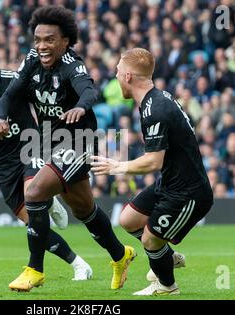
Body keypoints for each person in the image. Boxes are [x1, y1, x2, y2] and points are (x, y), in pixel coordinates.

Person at [0, 6, 135, 292]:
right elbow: (9, 95)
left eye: (49, 40)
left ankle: (35, 269)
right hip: (49, 140)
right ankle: (121, 256)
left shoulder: (72, 65)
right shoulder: (31, 60)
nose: (42, 46)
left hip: (78, 141)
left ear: (65, 41)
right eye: (38, 40)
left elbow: (89, 91)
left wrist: (80, 108)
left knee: (33, 192)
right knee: (84, 209)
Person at [0, 34, 92, 284]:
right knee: (34, 226)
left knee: (33, 197)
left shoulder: (13, 80)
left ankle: (44, 203)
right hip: (2, 164)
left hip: (31, 146)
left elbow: (44, 104)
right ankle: (79, 264)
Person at [91, 48, 214, 296]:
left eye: (117, 72)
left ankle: (167, 286)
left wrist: (118, 166)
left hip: (188, 193)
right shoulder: (155, 98)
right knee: (128, 220)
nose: (115, 76)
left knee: (150, 240)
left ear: (127, 76)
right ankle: (167, 257)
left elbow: (153, 162)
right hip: (170, 183)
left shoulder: (155, 108)